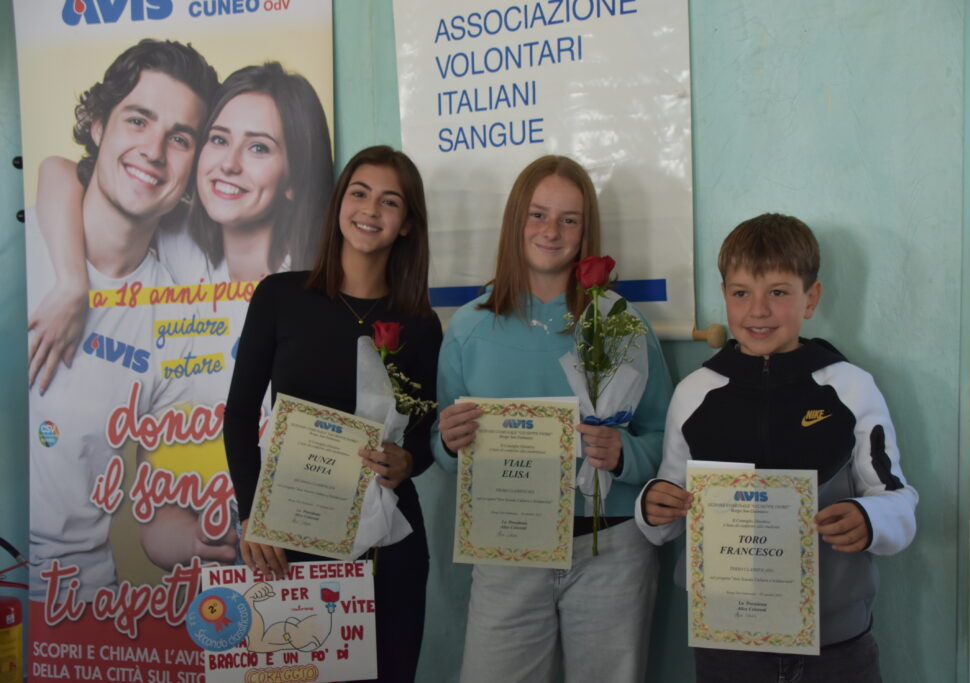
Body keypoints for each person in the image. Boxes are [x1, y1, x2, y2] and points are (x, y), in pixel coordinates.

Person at [637, 213, 919, 683]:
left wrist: (871, 519)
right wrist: (652, 508)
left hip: (836, 646)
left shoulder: (850, 386)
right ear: (723, 294)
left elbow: (898, 500)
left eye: (779, 292)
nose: (758, 311)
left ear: (812, 298)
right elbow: (668, 508)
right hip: (727, 644)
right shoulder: (694, 393)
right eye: (741, 293)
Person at [433, 155, 673, 683]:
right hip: (507, 550)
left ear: (586, 232)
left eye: (569, 219)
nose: (551, 231)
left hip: (610, 550)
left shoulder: (621, 324)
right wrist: (448, 443)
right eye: (538, 215)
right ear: (515, 221)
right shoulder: (469, 329)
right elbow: (443, 445)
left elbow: (666, 439)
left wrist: (625, 453)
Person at [223, 145, 440, 683]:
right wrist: (252, 515)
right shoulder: (279, 297)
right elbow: (240, 415)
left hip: (390, 541)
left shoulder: (420, 322)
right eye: (359, 193)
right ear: (339, 203)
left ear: (407, 224)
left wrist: (409, 461)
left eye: (390, 201)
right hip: (289, 535)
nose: (371, 209)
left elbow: (426, 434)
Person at [25, 39, 219, 600]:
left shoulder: (177, 323)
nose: (154, 151)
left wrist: (206, 540)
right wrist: (72, 282)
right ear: (96, 126)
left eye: (179, 138)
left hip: (76, 605)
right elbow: (55, 169)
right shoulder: (22, 247)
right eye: (138, 120)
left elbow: (155, 525)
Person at [28, 61, 333, 391]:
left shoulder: (310, 291)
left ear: (295, 179)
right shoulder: (180, 233)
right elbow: (60, 170)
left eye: (258, 148)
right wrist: (72, 282)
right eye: (219, 139)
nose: (229, 164)